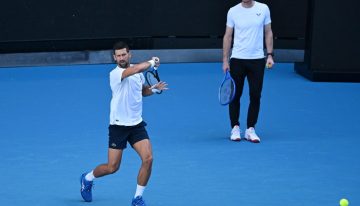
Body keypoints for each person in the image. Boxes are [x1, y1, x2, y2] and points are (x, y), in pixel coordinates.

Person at [80, 41, 168, 206]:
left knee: (148, 159)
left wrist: (153, 90)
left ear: (129, 54)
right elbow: (135, 69)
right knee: (112, 167)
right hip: (118, 126)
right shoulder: (115, 74)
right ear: (115, 57)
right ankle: (87, 178)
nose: (121, 58)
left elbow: (142, 91)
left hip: (136, 125)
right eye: (118, 55)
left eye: (124, 54)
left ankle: (137, 198)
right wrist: (151, 62)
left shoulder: (137, 73)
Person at [222, 0, 274, 143]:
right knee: (235, 95)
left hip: (257, 60)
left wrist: (270, 55)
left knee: (255, 95)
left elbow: (268, 32)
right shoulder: (233, 11)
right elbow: (228, 36)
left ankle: (250, 129)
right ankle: (235, 127)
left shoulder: (263, 8)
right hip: (237, 59)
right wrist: (225, 60)